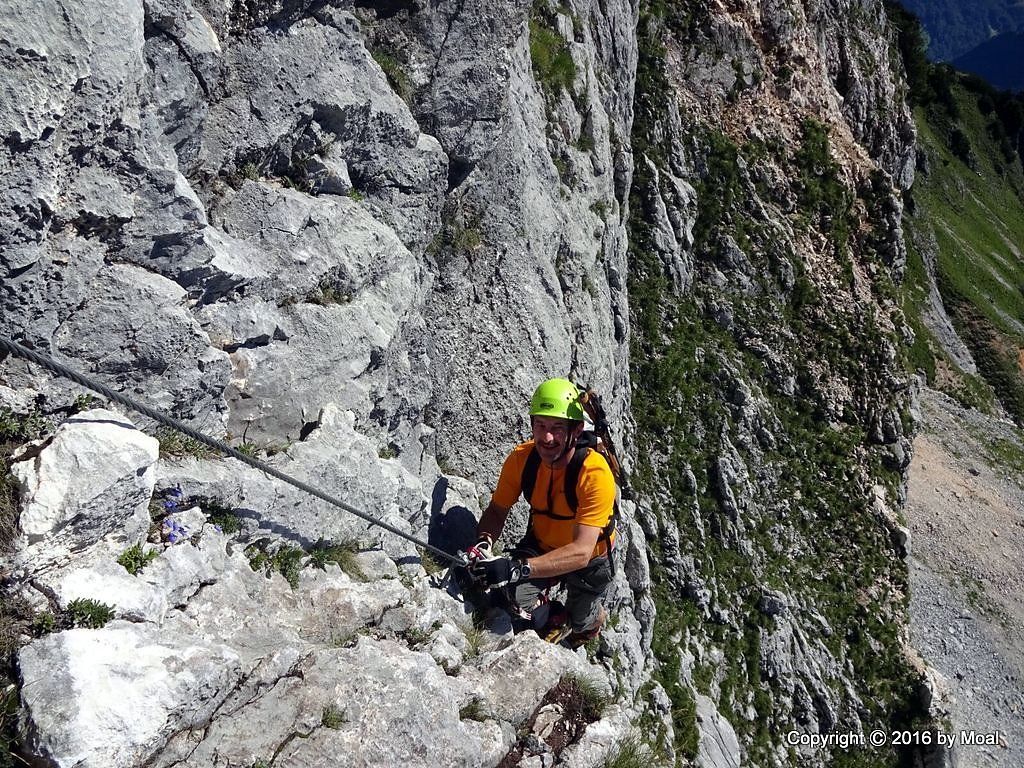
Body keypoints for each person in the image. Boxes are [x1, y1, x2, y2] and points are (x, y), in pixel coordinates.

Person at [468, 378, 616, 647]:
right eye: (541, 425)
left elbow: (581, 552)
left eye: (557, 428)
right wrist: (482, 544)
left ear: (577, 429)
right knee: (505, 594)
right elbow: (497, 510)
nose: (547, 437)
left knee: (582, 622)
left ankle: (594, 620)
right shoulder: (522, 460)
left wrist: (516, 569)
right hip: (542, 545)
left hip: (590, 560)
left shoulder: (594, 473)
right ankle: (552, 615)